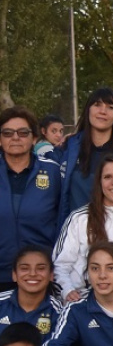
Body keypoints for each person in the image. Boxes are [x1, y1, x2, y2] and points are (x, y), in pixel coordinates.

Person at [53, 154, 113, 301]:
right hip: (80, 301)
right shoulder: (79, 218)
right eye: (107, 177)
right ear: (99, 182)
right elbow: (60, 265)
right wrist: (68, 291)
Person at [55, 87, 113, 222]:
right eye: (97, 105)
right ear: (88, 110)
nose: (103, 111)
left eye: (110, 107)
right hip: (75, 232)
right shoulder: (68, 149)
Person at [0, 107, 62, 292]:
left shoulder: (53, 171)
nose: (15, 138)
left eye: (23, 133)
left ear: (34, 138)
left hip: (40, 275)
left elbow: (63, 219)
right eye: (7, 133)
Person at [0, 247, 62, 341]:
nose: (33, 274)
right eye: (24, 268)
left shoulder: (59, 313)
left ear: (51, 275)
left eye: (41, 268)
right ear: (14, 275)